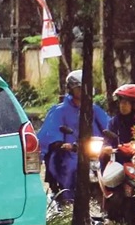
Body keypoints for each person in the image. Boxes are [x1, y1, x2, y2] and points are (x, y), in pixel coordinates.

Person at [36, 71, 111, 203]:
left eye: (85, 88)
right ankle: (68, 198)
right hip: (70, 153)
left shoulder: (94, 109)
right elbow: (51, 132)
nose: (82, 91)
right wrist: (60, 143)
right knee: (72, 167)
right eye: (79, 88)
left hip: (94, 151)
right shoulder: (60, 110)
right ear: (71, 89)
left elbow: (108, 125)